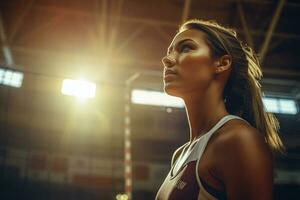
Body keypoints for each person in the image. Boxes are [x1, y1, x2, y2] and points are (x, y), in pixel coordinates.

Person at [155, 19, 286, 200]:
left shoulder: (238, 139)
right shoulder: (181, 154)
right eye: (170, 51)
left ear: (222, 63)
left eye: (186, 48)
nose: (167, 59)